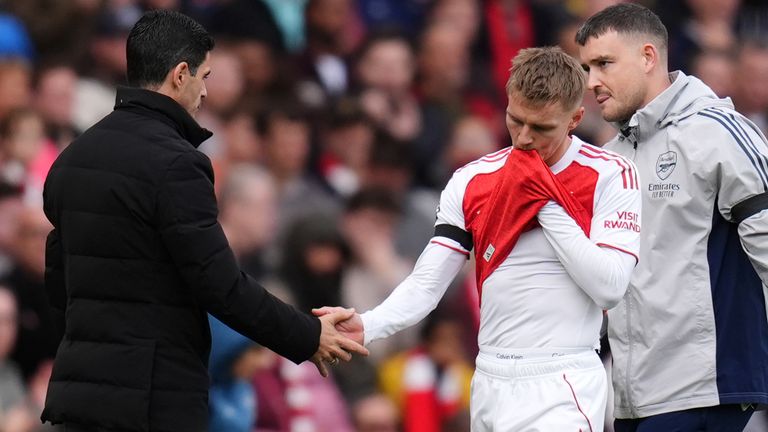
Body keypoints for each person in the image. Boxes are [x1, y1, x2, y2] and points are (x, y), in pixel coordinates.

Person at [40, 10, 367, 432]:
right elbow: (219, 282)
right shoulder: (177, 163)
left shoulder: (71, 159)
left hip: (78, 398)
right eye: (205, 76)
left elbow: (57, 282)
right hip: (153, 403)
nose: (206, 92)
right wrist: (306, 335)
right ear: (180, 74)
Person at [317, 46, 642, 431]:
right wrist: (369, 325)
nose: (523, 138)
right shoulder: (471, 180)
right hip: (489, 378)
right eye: (515, 120)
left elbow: (610, 286)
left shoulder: (611, 174)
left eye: (541, 129)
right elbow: (427, 284)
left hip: (563, 378)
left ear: (575, 119)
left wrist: (543, 201)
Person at [575, 3, 768, 431]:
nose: (592, 82)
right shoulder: (610, 158)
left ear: (648, 57)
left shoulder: (717, 132)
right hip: (629, 394)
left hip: (705, 386)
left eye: (604, 63)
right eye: (587, 68)